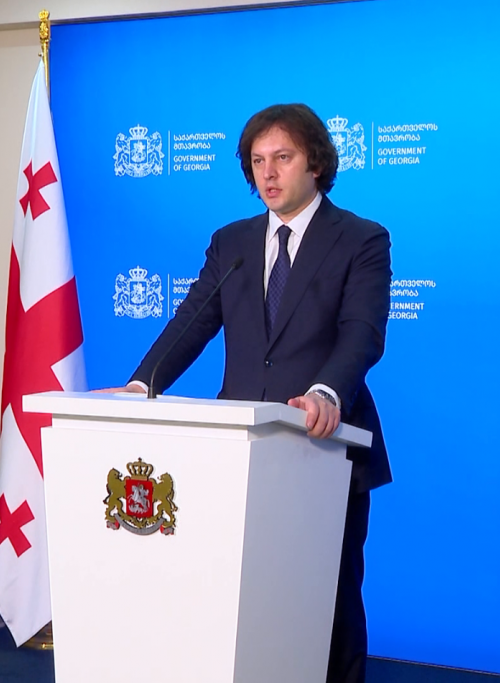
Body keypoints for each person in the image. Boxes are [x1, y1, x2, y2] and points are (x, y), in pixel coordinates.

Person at [101, 103, 391, 683]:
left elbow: (362, 333)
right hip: (237, 455)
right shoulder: (231, 242)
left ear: (316, 164)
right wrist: (141, 384)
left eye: (283, 157)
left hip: (322, 445)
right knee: (239, 600)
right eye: (258, 161)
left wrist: (325, 392)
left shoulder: (360, 238)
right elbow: (191, 322)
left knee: (329, 600)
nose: (269, 173)